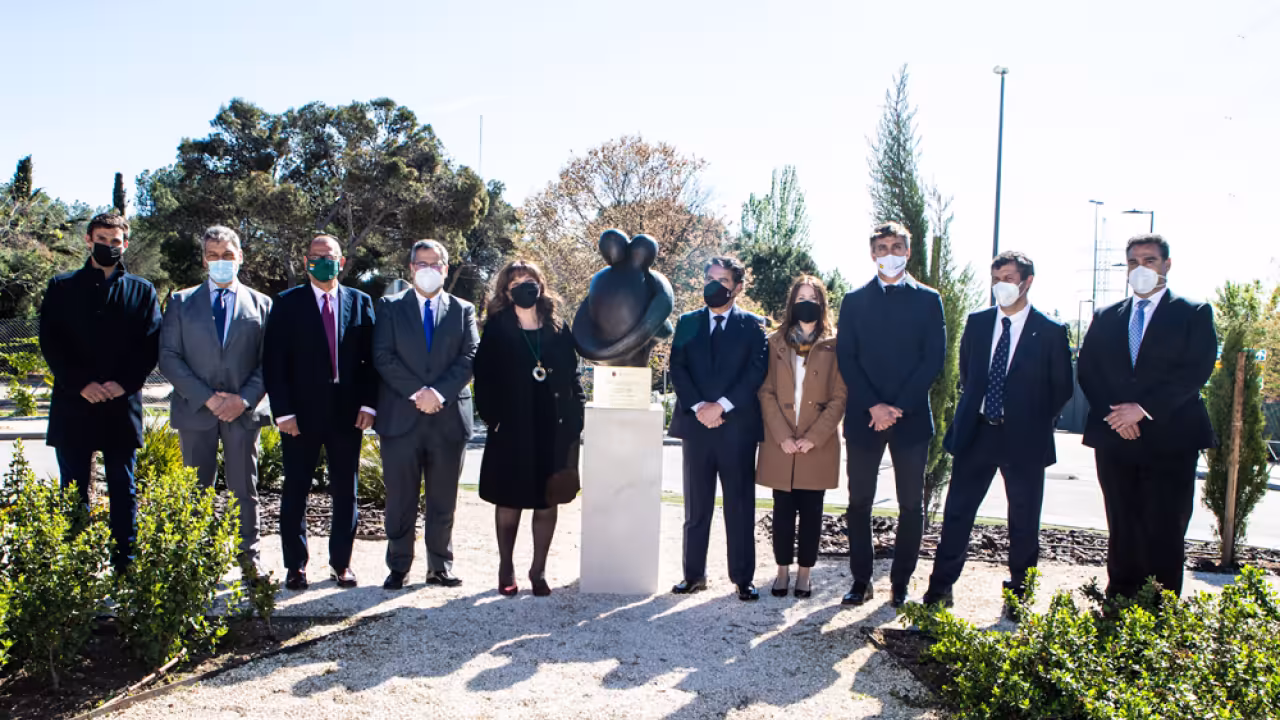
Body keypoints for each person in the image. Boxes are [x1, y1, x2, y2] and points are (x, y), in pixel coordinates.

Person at [922, 252, 1073, 614]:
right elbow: (967, 374)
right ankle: (940, 588)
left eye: (1008, 277)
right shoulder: (977, 323)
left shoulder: (1050, 331)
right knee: (958, 513)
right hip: (977, 433)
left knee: (1023, 519)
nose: (1000, 285)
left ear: (1027, 281)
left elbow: (1062, 388)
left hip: (1024, 439)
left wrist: (1030, 418)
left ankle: (1019, 595)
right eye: (996, 278)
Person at [1078, 234, 1215, 599]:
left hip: (1171, 437)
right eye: (1134, 262)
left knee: (1165, 524)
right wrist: (1119, 416)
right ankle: (1120, 597)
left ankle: (1161, 603)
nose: (1141, 269)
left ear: (1167, 265)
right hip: (1114, 437)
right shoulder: (1106, 317)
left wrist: (1143, 409)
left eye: (1150, 260)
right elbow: (1089, 370)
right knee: (1122, 522)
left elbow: (1196, 370)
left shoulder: (1193, 313)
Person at [38, 213, 162, 574]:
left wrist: (123, 383)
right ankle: (76, 567)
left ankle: (125, 564)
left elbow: (150, 343)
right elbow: (52, 343)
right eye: (103, 238)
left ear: (126, 242)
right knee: (73, 488)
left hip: (121, 405)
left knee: (124, 487)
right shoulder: (61, 287)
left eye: (117, 240)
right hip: (74, 403)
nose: (110, 246)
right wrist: (81, 384)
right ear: (88, 240)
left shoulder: (142, 290)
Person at [836, 222, 945, 608]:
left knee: (910, 505)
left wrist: (897, 407)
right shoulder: (853, 300)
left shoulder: (929, 300)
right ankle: (860, 580)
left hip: (911, 419)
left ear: (908, 251)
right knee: (859, 502)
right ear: (872, 254)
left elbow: (932, 358)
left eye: (897, 246)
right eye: (882, 247)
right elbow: (847, 358)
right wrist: (874, 406)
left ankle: (901, 583)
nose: (890, 253)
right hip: (865, 417)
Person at [263, 235, 378, 591]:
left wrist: (369, 404)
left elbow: (373, 360)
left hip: (348, 415)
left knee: (346, 490)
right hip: (300, 416)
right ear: (305, 262)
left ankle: (341, 564)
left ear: (341, 262)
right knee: (295, 489)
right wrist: (282, 412)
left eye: (328, 257)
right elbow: (274, 361)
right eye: (315, 257)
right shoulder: (286, 303)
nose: (321, 262)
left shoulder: (361, 303)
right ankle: (295, 566)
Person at [158, 226, 274, 575]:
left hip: (242, 414)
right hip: (196, 412)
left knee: (245, 489)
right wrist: (208, 399)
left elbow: (268, 361)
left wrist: (243, 399)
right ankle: (199, 562)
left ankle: (249, 559)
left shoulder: (261, 303)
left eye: (227, 255)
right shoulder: (181, 302)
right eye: (213, 255)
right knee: (197, 491)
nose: (220, 261)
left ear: (240, 256)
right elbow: (169, 357)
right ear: (204, 259)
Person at [473, 260, 585, 597]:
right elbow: (484, 377)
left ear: (541, 284)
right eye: (516, 281)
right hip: (511, 427)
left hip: (554, 426)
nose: (524, 285)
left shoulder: (557, 326)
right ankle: (506, 566)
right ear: (506, 291)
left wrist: (576, 415)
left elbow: (572, 373)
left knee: (546, 500)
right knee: (509, 499)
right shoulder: (496, 327)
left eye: (530, 279)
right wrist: (494, 419)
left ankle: (538, 569)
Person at [373, 240, 479, 590]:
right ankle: (399, 565)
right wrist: (419, 393)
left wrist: (439, 393)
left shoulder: (463, 309)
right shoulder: (388, 307)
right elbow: (383, 356)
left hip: (448, 419)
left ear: (446, 269)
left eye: (436, 264)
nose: (428, 270)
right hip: (401, 417)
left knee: (443, 498)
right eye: (422, 264)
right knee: (400, 498)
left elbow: (470, 356)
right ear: (411, 269)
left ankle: (440, 566)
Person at [668, 257, 769, 601]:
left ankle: (743, 578)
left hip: (736, 428)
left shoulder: (755, 326)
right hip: (696, 427)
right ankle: (693, 575)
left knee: (739, 507)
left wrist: (721, 406)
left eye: (723, 280)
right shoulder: (686, 323)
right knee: (697, 507)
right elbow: (678, 368)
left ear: (738, 288)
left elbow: (755, 373)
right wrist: (700, 408)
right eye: (710, 278)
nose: (714, 286)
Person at [756, 276, 848, 598]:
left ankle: (804, 575)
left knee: (812, 513)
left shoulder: (835, 344)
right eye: (800, 297)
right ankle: (781, 572)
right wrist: (781, 435)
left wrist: (814, 437)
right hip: (781, 442)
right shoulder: (774, 341)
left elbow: (839, 396)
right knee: (782, 511)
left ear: (821, 303)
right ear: (791, 303)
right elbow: (765, 391)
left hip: (816, 445)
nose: (805, 303)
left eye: (811, 297)